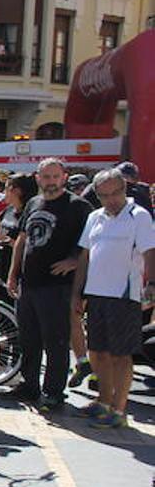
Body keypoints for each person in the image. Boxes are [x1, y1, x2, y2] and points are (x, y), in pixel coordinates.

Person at [4, 158, 92, 412]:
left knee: (56, 341)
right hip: (29, 283)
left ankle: (53, 392)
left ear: (64, 177)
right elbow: (22, 240)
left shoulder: (79, 206)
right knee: (28, 339)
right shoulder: (33, 203)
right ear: (38, 178)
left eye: (55, 176)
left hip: (58, 286)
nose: (51, 182)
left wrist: (73, 261)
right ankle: (29, 385)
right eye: (46, 177)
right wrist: (13, 273)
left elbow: (88, 244)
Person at [71, 168, 155, 428]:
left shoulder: (138, 216)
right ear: (97, 195)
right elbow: (85, 256)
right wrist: (77, 292)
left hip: (124, 295)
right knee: (97, 352)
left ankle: (119, 409)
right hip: (96, 293)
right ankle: (103, 401)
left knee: (121, 355)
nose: (112, 199)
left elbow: (150, 251)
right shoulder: (95, 217)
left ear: (124, 190)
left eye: (116, 193)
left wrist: (151, 284)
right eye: (105, 195)